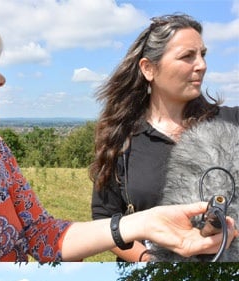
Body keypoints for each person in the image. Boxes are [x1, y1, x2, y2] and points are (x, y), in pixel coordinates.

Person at [0, 0, 234, 262]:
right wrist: (145, 255)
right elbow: (102, 207)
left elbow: (40, 233)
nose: (1, 78)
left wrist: (143, 223)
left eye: (204, 56)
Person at [91, 14, 239, 261]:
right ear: (149, 68)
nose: (201, 64)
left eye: (203, 54)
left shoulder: (231, 123)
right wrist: (151, 262)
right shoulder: (122, 139)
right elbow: (106, 216)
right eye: (187, 56)